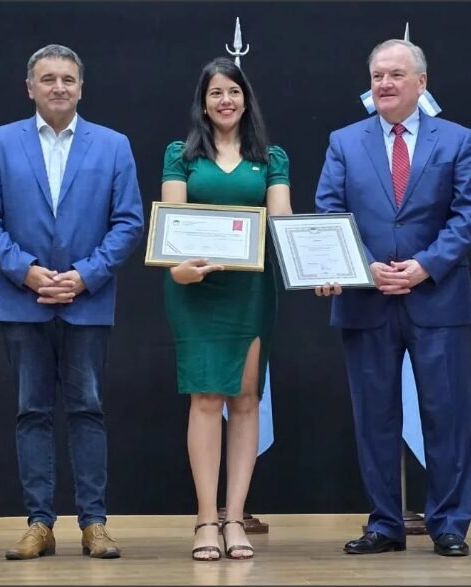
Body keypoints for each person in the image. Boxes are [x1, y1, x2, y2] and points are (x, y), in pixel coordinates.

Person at [0, 44, 143, 561]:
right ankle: (39, 523)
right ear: (30, 87)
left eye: (68, 79)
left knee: (88, 410)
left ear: (81, 87)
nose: (59, 87)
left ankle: (94, 524)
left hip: (87, 301)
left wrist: (85, 277)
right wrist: (26, 271)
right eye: (48, 79)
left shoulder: (113, 145)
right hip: (23, 302)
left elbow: (129, 221)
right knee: (31, 413)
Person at [314, 39, 471, 557]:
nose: (384, 84)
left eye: (395, 75)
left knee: (446, 414)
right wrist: (363, 266)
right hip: (367, 300)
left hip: (437, 297)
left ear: (421, 83)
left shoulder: (456, 140)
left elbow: (468, 213)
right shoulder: (344, 141)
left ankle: (449, 523)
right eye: (377, 76)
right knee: (375, 418)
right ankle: (385, 523)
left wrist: (424, 266)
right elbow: (329, 210)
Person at [160, 57, 291, 561]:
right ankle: (205, 521)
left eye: (233, 92)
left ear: (246, 98)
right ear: (203, 101)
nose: (225, 101)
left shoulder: (272, 157)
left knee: (244, 401)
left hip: (250, 293)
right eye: (215, 93)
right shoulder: (181, 155)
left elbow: (280, 226)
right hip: (195, 292)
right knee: (204, 401)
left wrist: (313, 262)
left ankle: (235, 518)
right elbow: (171, 221)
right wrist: (179, 269)